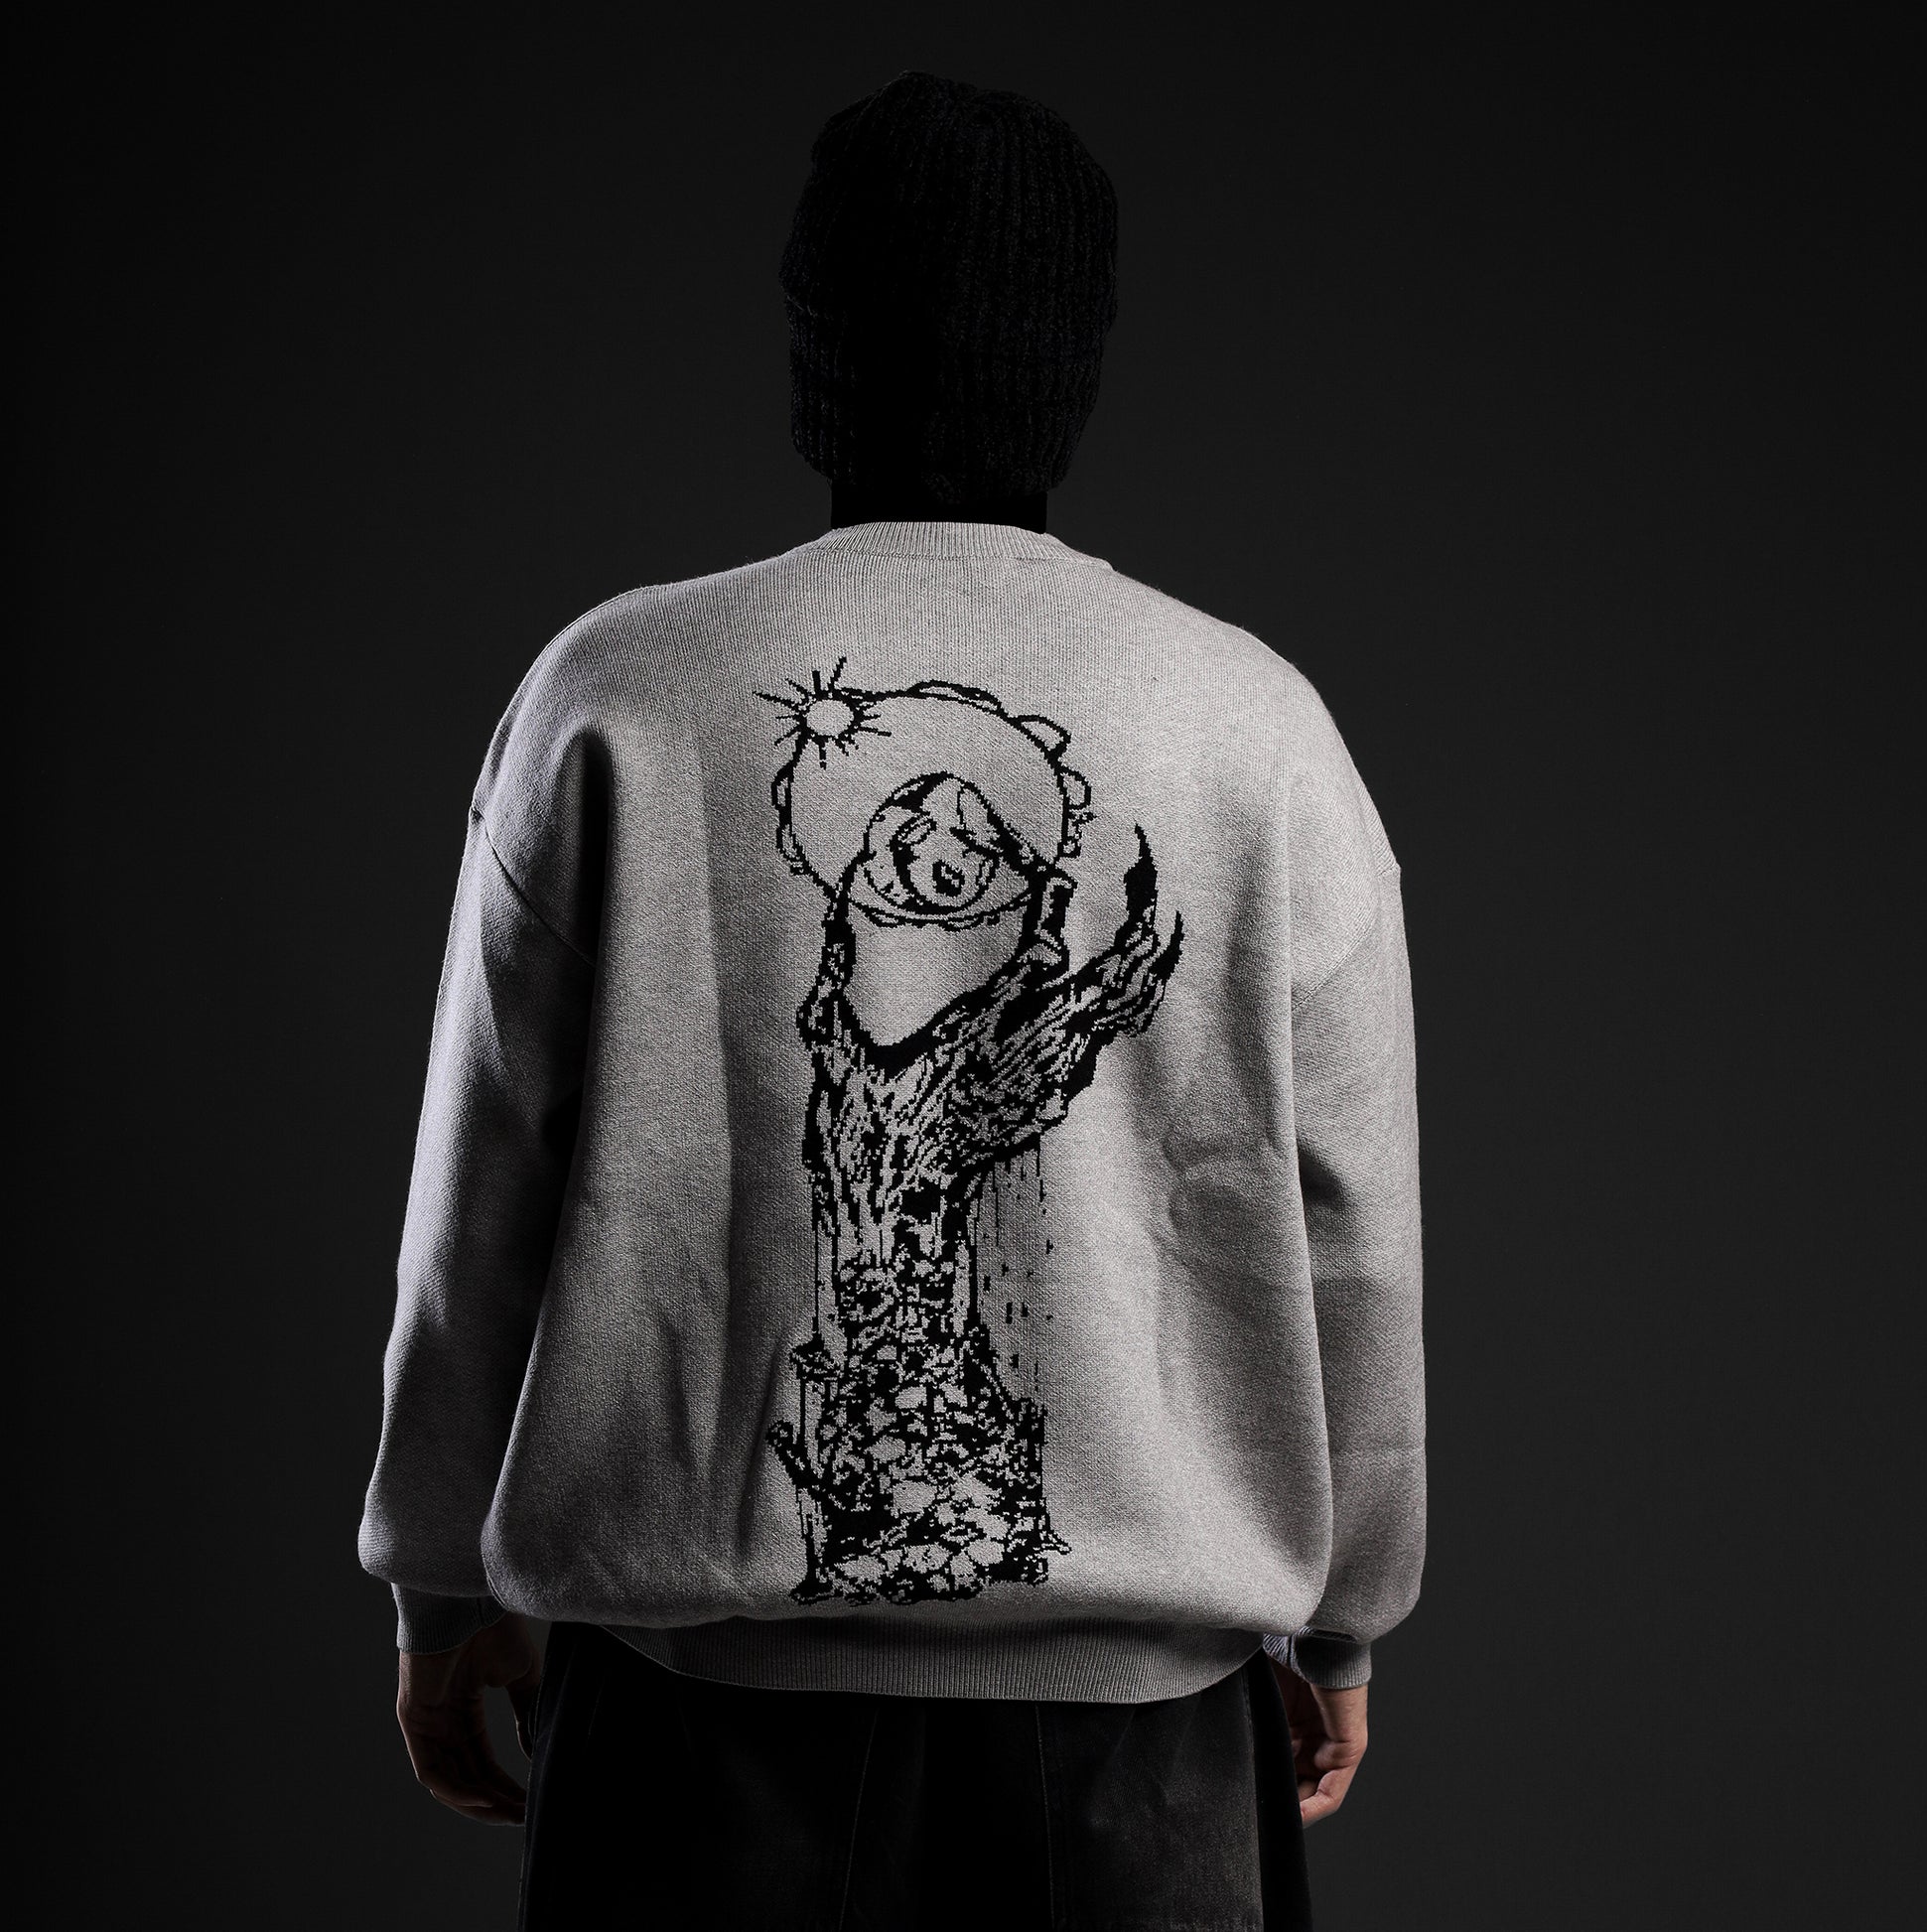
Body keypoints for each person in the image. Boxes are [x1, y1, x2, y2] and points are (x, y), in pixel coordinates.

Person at [360, 69, 1425, 1930]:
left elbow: (482, 1196)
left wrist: (439, 1579)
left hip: (691, 1734)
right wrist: (1345, 1615)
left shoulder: (618, 690)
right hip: (1144, 1753)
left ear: (815, 348)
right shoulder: (1255, 724)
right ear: (1073, 363)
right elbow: (1353, 1231)